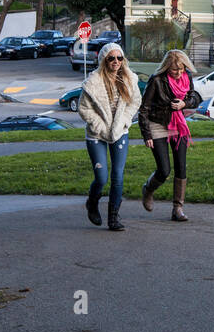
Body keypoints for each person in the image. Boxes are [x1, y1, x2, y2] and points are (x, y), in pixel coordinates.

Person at [78, 42, 141, 231]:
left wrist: (124, 121)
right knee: (102, 177)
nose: (116, 62)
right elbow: (83, 108)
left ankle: (113, 217)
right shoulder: (93, 82)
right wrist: (99, 126)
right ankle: (92, 202)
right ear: (104, 60)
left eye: (119, 58)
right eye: (111, 58)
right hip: (97, 134)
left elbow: (135, 102)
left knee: (118, 176)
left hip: (120, 131)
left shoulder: (129, 79)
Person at [138, 49, 201, 222]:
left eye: (181, 69)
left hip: (178, 123)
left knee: (181, 166)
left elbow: (194, 97)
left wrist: (184, 103)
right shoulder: (156, 80)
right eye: (174, 70)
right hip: (157, 124)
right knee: (164, 170)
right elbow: (144, 109)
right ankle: (148, 189)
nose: (179, 73)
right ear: (166, 67)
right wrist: (146, 134)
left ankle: (177, 208)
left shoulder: (186, 77)